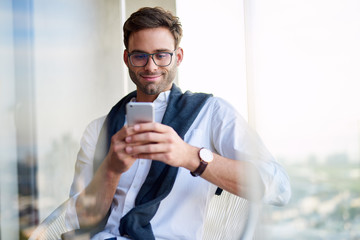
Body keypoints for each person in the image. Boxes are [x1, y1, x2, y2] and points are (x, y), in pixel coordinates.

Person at [64, 6, 291, 240]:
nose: (151, 66)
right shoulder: (98, 131)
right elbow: (77, 221)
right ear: (127, 59)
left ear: (178, 57)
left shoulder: (211, 114)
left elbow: (279, 187)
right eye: (140, 55)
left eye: (161, 55)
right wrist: (110, 169)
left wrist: (191, 156)